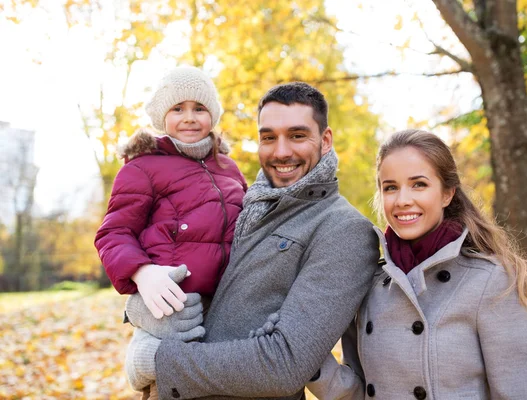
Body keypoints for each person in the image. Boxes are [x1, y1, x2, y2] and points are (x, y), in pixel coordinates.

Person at [124, 82, 380, 399]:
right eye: (268, 137)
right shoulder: (244, 204)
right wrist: (140, 301)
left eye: (297, 135)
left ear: (325, 140)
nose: (281, 151)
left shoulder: (344, 229)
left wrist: (159, 359)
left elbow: (284, 364)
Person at [306, 129, 527, 400]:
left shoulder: (491, 280)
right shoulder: (369, 283)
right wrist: (304, 359)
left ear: (447, 193)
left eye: (419, 184)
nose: (402, 200)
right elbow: (359, 393)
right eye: (390, 187)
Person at [94, 66, 247, 398]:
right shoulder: (143, 167)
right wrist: (142, 272)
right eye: (178, 108)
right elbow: (114, 233)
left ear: (213, 115)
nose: (189, 117)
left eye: (199, 108)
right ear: (162, 116)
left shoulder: (229, 168)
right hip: (170, 303)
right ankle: (143, 357)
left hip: (223, 305)